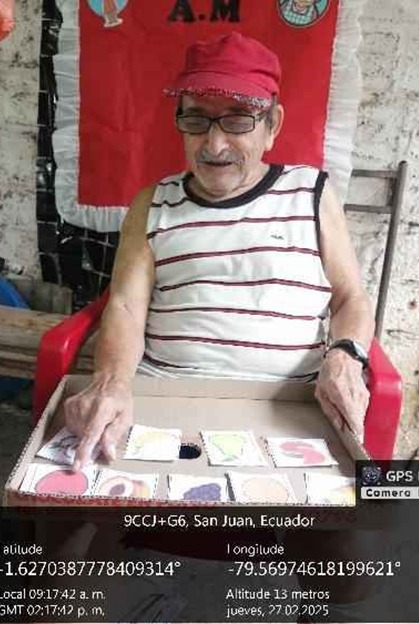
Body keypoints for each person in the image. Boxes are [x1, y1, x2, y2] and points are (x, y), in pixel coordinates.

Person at [65, 31, 374, 471]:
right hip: (165, 395)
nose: (213, 145)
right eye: (196, 120)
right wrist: (111, 383)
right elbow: (126, 307)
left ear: (273, 124)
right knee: (87, 491)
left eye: (237, 120)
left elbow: (350, 298)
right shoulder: (153, 202)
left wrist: (345, 354)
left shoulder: (312, 193)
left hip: (288, 407)